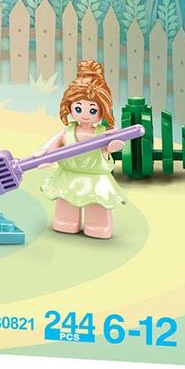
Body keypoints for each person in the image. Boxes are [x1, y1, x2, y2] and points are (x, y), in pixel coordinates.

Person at [38, 60, 127, 239]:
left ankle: (97, 226)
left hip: (95, 178)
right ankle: (66, 222)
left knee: (97, 203)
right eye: (78, 108)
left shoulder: (102, 134)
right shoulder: (68, 132)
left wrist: (113, 146)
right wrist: (44, 155)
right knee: (66, 200)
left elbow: (109, 148)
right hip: (69, 175)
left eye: (92, 110)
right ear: (69, 106)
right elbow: (53, 144)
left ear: (103, 109)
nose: (85, 114)